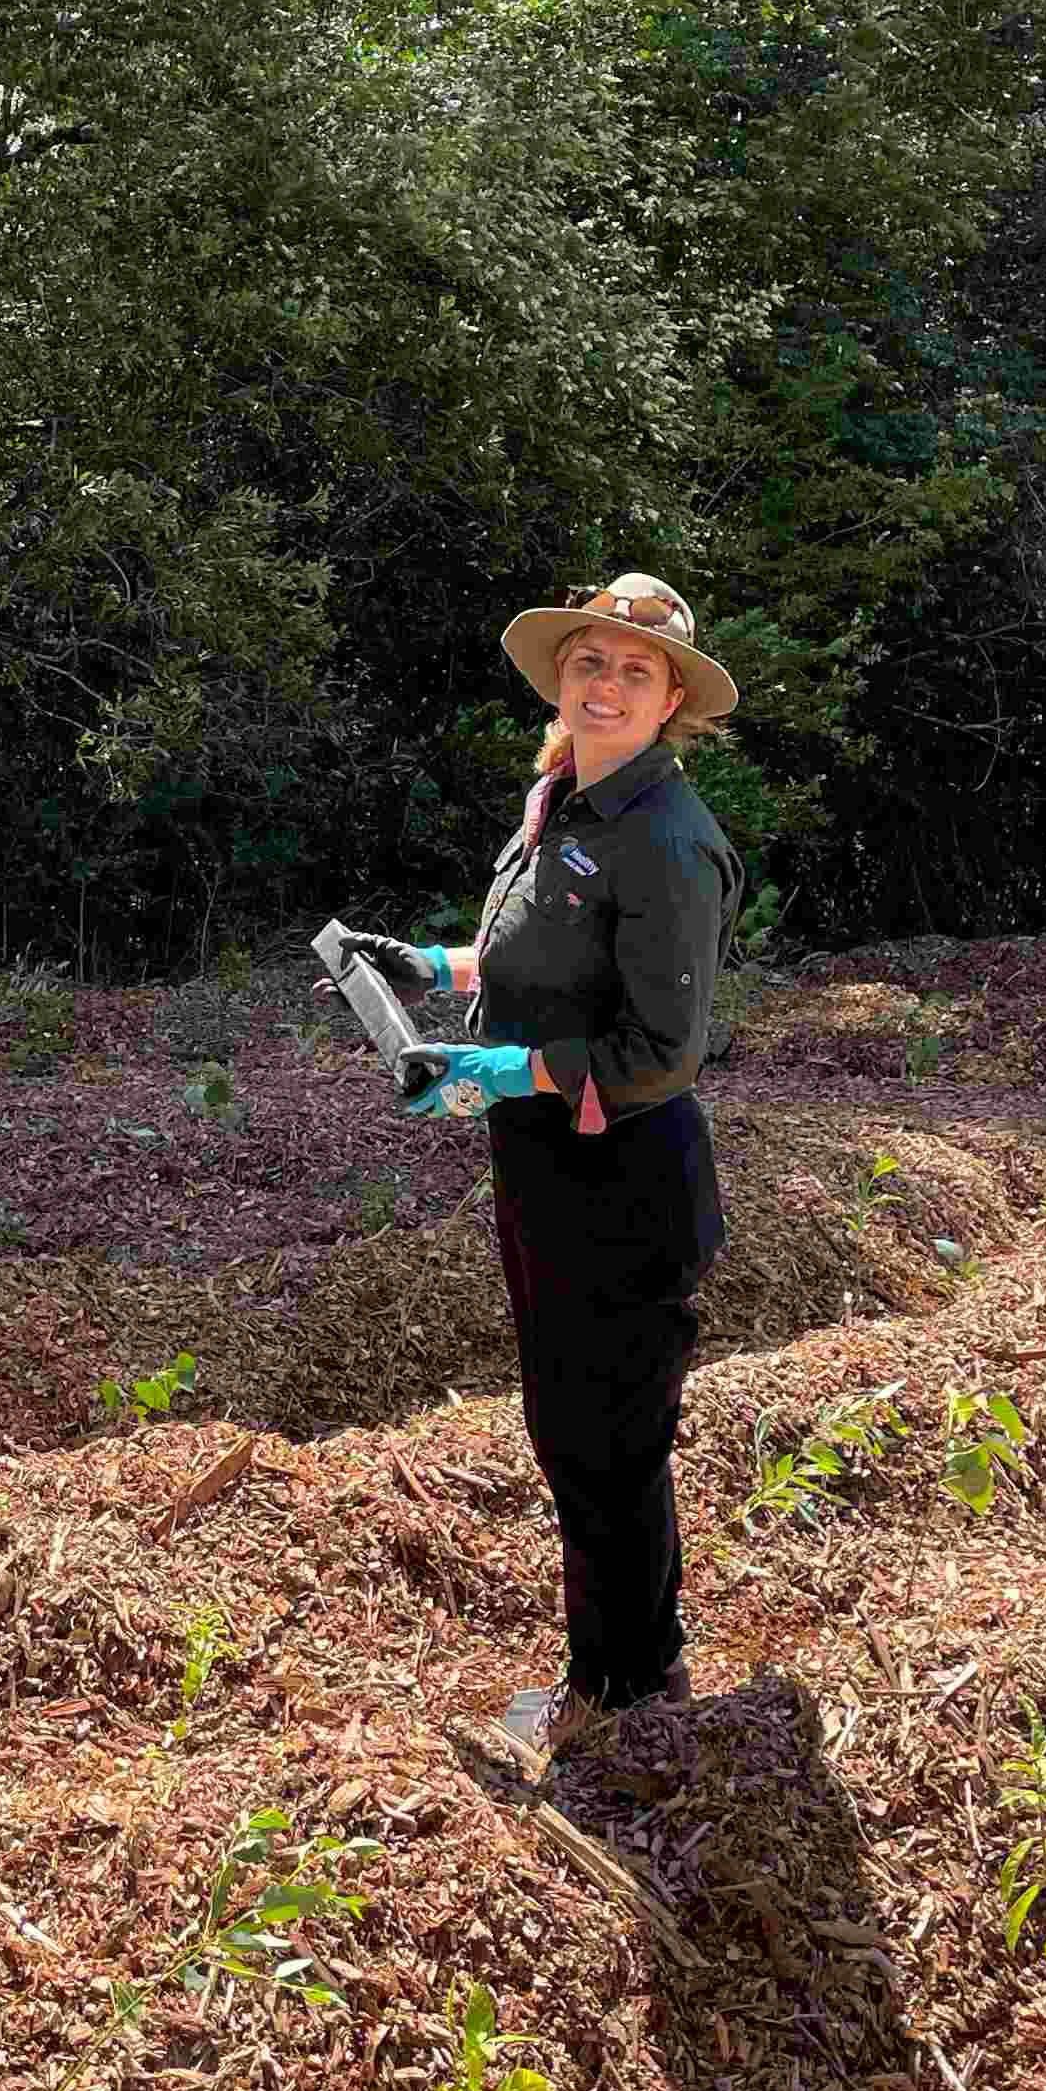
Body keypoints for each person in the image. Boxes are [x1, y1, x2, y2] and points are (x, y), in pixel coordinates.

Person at [348, 574, 743, 1740]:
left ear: (671, 701)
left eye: (635, 670)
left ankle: (631, 1692)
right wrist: (433, 967)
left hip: (623, 1181)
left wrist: (493, 1071)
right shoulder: (562, 800)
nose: (606, 684)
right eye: (589, 662)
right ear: (561, 681)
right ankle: (614, 1676)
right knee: (572, 1430)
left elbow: (659, 1053)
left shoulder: (668, 840)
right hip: (546, 1170)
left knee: (608, 1443)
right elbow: (541, 959)